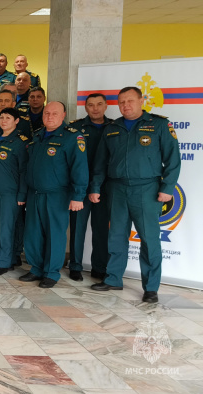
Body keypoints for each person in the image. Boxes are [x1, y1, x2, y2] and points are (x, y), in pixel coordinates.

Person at [89, 87, 181, 303]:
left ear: (141, 101)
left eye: (130, 101)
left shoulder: (159, 125)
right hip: (117, 188)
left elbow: (173, 160)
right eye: (121, 102)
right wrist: (95, 187)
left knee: (149, 239)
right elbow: (100, 163)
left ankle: (151, 287)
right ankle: (113, 278)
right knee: (116, 236)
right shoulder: (112, 128)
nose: (125, 105)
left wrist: (167, 188)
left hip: (147, 189)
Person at [19, 102, 87, 288]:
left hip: (57, 195)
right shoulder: (38, 135)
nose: (49, 116)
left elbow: (80, 168)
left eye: (54, 113)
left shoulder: (72, 137)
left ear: (63, 115)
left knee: (54, 234)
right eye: (46, 113)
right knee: (33, 233)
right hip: (35, 193)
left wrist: (78, 195)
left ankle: (51, 273)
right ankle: (36, 268)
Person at [68, 93, 112, 281]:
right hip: (80, 186)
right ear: (85, 107)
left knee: (101, 229)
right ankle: (75, 266)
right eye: (91, 105)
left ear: (106, 106)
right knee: (77, 228)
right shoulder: (75, 128)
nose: (95, 108)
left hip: (105, 187)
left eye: (99, 104)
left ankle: (99, 268)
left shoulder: (114, 127)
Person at [0, 108, 29, 276]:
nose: (3, 120)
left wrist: (22, 194)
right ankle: (8, 258)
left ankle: (3, 263)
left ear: (16, 121)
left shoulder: (19, 142)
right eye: (1, 117)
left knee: (5, 228)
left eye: (8, 118)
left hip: (8, 193)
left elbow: (24, 171)